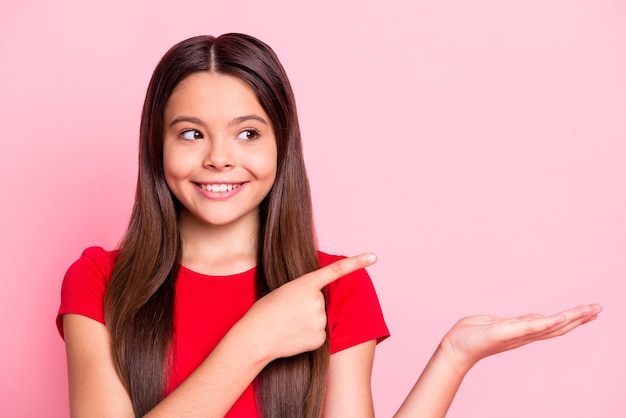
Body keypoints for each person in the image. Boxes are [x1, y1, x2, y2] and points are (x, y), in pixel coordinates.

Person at [56, 33, 601, 418]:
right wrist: (252, 341)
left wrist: (455, 357)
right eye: (191, 133)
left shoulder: (335, 287)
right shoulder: (99, 281)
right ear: (158, 145)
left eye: (248, 133)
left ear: (282, 146)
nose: (220, 157)